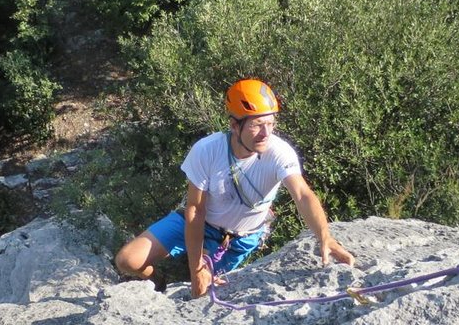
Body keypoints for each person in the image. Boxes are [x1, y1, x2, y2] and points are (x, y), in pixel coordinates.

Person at [115, 79, 355, 298]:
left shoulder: (279, 153)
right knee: (127, 260)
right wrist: (196, 268)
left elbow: (302, 194)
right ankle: (159, 282)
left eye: (270, 123)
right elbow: (195, 209)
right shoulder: (207, 150)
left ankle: (202, 264)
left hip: (239, 239)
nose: (266, 133)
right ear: (234, 125)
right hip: (201, 222)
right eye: (257, 125)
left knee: (204, 291)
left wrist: (325, 236)